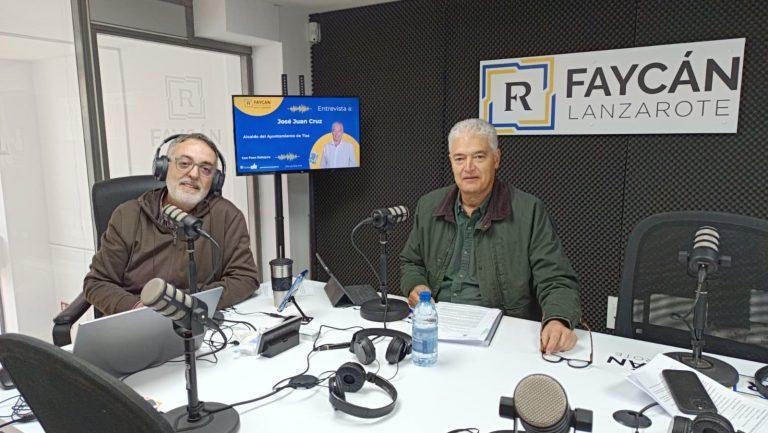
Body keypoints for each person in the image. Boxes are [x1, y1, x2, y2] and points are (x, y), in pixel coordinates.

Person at [400, 118, 581, 354]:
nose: (468, 167)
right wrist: (416, 285)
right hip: (437, 331)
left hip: (501, 336)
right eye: (460, 158)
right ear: (451, 162)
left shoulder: (529, 211)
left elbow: (556, 278)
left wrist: (558, 319)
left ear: (496, 159)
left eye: (478, 157)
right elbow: (411, 261)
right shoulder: (428, 205)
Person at [83, 133, 259, 315]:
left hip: (197, 318)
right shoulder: (127, 215)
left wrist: (183, 305)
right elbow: (97, 283)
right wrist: (138, 309)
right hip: (139, 321)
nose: (193, 174)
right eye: (184, 163)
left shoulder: (227, 216)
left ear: (215, 180)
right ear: (164, 167)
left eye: (205, 169)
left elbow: (245, 278)